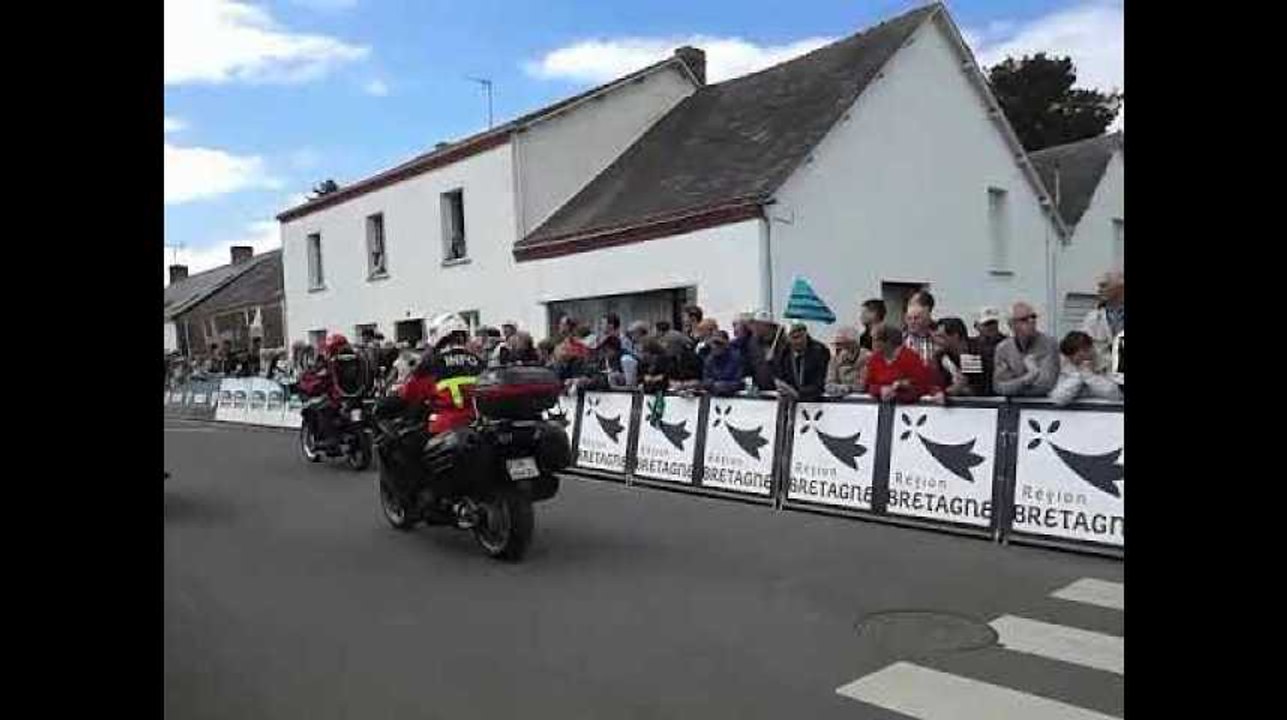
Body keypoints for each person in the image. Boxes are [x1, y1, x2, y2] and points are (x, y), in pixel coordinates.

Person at [398, 313, 485, 436]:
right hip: (476, 425)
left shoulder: (432, 364)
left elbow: (409, 393)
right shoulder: (479, 361)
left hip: (446, 428)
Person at [993, 302, 1060, 397]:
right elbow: (999, 387)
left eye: (1033, 317)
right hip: (1015, 408)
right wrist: (1030, 377)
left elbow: (1045, 385)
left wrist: (1014, 384)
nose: (1031, 321)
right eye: (1024, 319)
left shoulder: (1049, 344)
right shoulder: (1003, 348)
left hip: (1043, 407)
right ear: (1011, 325)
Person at [865, 324, 942, 403]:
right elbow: (868, 385)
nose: (872, 344)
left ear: (888, 342)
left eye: (875, 340)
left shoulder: (911, 358)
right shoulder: (874, 359)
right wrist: (880, 390)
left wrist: (900, 391)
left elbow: (923, 387)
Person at [1050, 331, 1122, 406]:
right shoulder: (1069, 366)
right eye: (1071, 358)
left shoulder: (1110, 362)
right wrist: (1079, 376)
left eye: (1079, 356)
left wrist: (1090, 376)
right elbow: (1058, 398)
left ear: (1089, 348)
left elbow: (1116, 393)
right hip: (1081, 413)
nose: (1074, 360)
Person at [773, 323, 831, 401]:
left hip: (815, 401)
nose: (799, 341)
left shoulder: (820, 351)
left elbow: (820, 381)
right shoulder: (783, 353)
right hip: (789, 399)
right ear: (788, 339)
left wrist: (799, 394)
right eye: (794, 338)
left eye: (801, 337)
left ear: (806, 335)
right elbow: (780, 376)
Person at [1080, 271, 1124, 373]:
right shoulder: (1092, 318)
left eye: (1104, 286)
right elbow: (1082, 351)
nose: (1099, 290)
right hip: (1102, 378)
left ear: (1120, 288)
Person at [931, 317, 974, 397]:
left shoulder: (972, 352)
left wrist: (945, 394)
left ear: (955, 336)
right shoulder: (940, 355)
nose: (936, 341)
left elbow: (965, 385)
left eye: (941, 337)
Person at [825, 325, 869, 396]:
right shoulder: (835, 359)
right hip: (840, 399)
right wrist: (841, 388)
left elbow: (863, 385)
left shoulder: (867, 357)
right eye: (836, 344)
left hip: (862, 400)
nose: (837, 347)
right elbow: (829, 383)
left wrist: (848, 388)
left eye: (840, 344)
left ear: (853, 343)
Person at [701, 330, 743, 396]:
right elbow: (705, 379)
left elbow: (739, 381)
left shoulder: (736, 358)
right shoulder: (709, 359)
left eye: (719, 343)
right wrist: (712, 384)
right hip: (714, 395)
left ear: (726, 344)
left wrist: (724, 386)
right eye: (713, 343)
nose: (715, 346)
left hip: (732, 396)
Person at [903, 298, 936, 368]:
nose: (912, 322)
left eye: (916, 318)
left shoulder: (936, 339)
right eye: (909, 318)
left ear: (926, 319)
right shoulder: (900, 339)